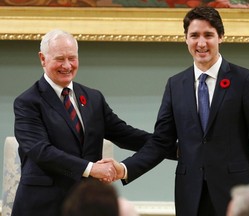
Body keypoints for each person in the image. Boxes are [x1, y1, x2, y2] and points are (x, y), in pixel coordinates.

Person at [102, 6, 249, 216]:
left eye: (208, 35)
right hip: (190, 195)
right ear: (185, 39)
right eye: (194, 35)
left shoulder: (245, 81)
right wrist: (124, 168)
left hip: (236, 194)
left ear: (221, 37)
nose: (201, 43)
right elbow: (161, 143)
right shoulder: (175, 85)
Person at [12, 29, 154, 216]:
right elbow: (41, 151)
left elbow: (126, 134)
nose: (67, 65)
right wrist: (91, 168)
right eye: (59, 59)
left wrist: (176, 147)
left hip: (86, 207)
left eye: (72, 58)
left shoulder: (93, 98)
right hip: (42, 206)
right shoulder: (27, 102)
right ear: (42, 59)